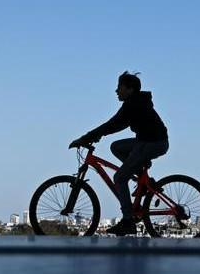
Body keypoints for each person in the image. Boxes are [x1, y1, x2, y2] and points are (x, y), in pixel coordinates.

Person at [70, 71, 169, 236]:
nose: (116, 91)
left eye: (119, 87)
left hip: (152, 143)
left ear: (130, 89)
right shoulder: (135, 102)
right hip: (148, 141)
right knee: (116, 147)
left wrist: (85, 138)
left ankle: (128, 221)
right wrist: (95, 136)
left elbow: (113, 124)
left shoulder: (133, 105)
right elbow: (114, 125)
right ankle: (144, 181)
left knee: (120, 178)